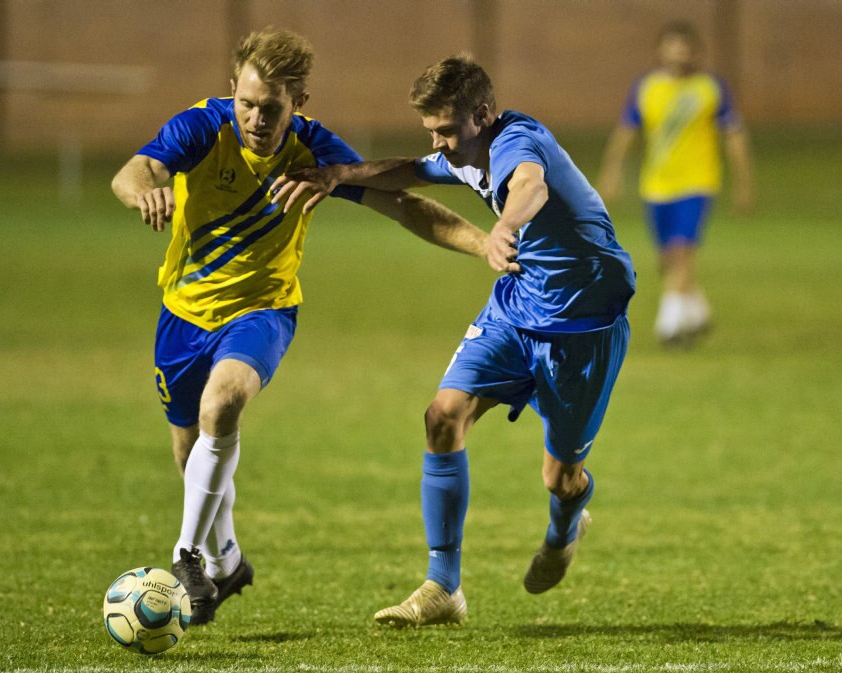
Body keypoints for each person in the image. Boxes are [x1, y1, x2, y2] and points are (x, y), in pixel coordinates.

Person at [111, 30, 488, 625]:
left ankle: (184, 559)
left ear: (299, 102)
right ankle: (225, 561)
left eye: (273, 108)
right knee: (190, 454)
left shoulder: (315, 152)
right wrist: (144, 195)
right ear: (231, 89)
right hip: (182, 314)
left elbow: (403, 204)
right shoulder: (200, 128)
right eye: (248, 103)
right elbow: (135, 171)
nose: (257, 118)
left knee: (222, 405)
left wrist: (485, 242)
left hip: (263, 310)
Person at [271, 55, 636, 627]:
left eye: (446, 129)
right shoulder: (463, 153)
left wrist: (504, 227)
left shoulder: (517, 142)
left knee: (559, 478)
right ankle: (443, 586)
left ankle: (565, 528)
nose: (439, 143)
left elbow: (531, 186)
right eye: (431, 131)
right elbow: (412, 171)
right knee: (442, 416)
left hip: (583, 327)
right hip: (517, 308)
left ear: (483, 115)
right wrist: (341, 175)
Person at [598, 21, 753, 346]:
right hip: (656, 185)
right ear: (661, 51)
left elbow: (734, 136)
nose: (679, 53)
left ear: (696, 52)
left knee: (682, 251)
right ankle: (698, 313)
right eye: (672, 46)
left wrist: (743, 183)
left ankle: (668, 325)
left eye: (685, 47)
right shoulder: (647, 88)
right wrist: (611, 173)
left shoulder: (711, 88)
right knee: (667, 260)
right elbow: (626, 133)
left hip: (698, 182)